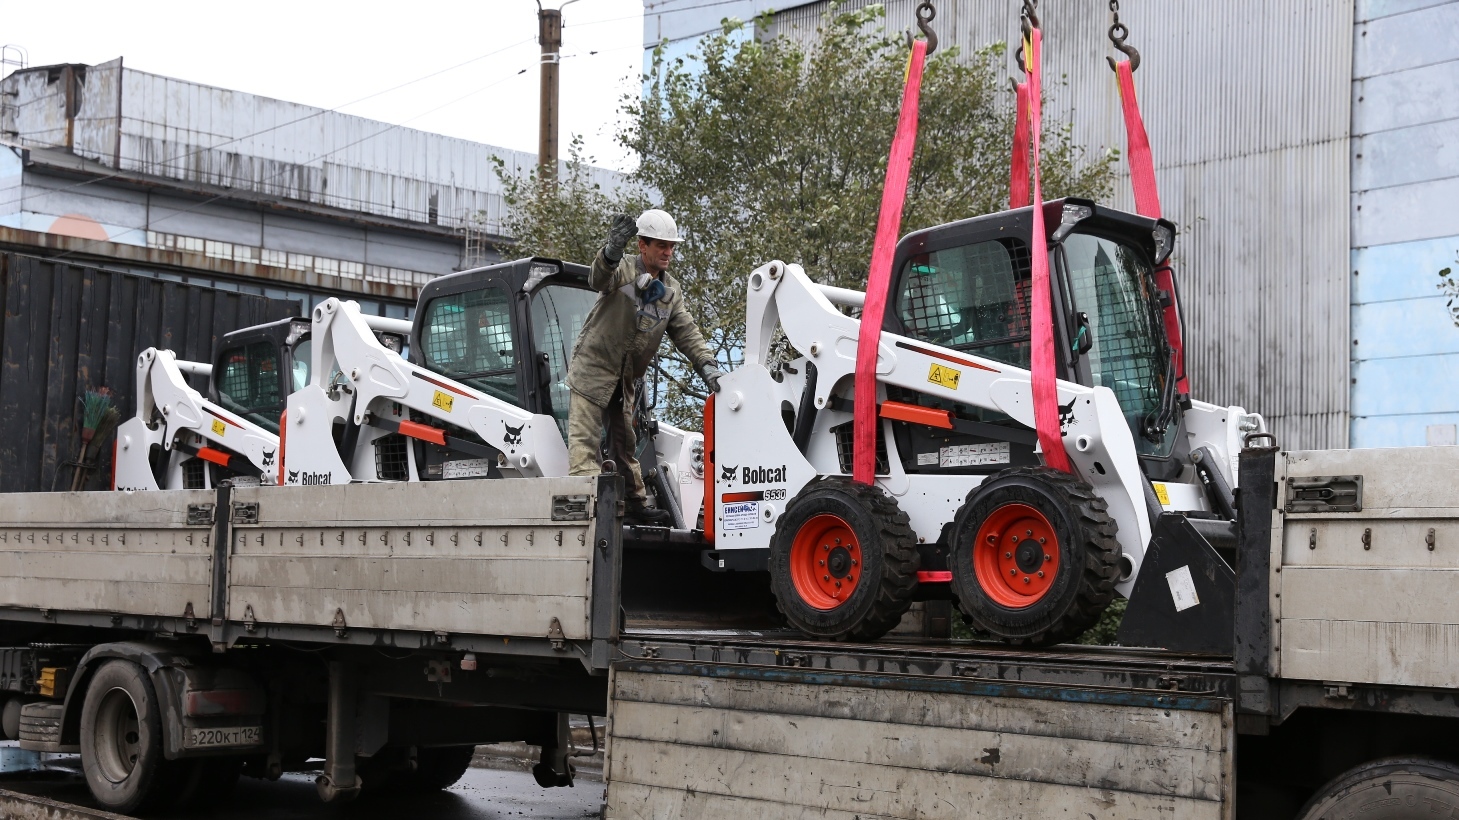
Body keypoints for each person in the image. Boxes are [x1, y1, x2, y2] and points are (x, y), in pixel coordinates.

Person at [565, 210, 724, 525]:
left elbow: (686, 331)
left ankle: (635, 504)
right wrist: (610, 251)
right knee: (585, 441)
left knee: (624, 444)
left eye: (671, 246)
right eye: (661, 245)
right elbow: (597, 279)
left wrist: (707, 364)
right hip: (594, 368)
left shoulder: (669, 292)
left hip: (623, 377)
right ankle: (585, 506)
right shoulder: (622, 271)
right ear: (642, 245)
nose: (668, 252)